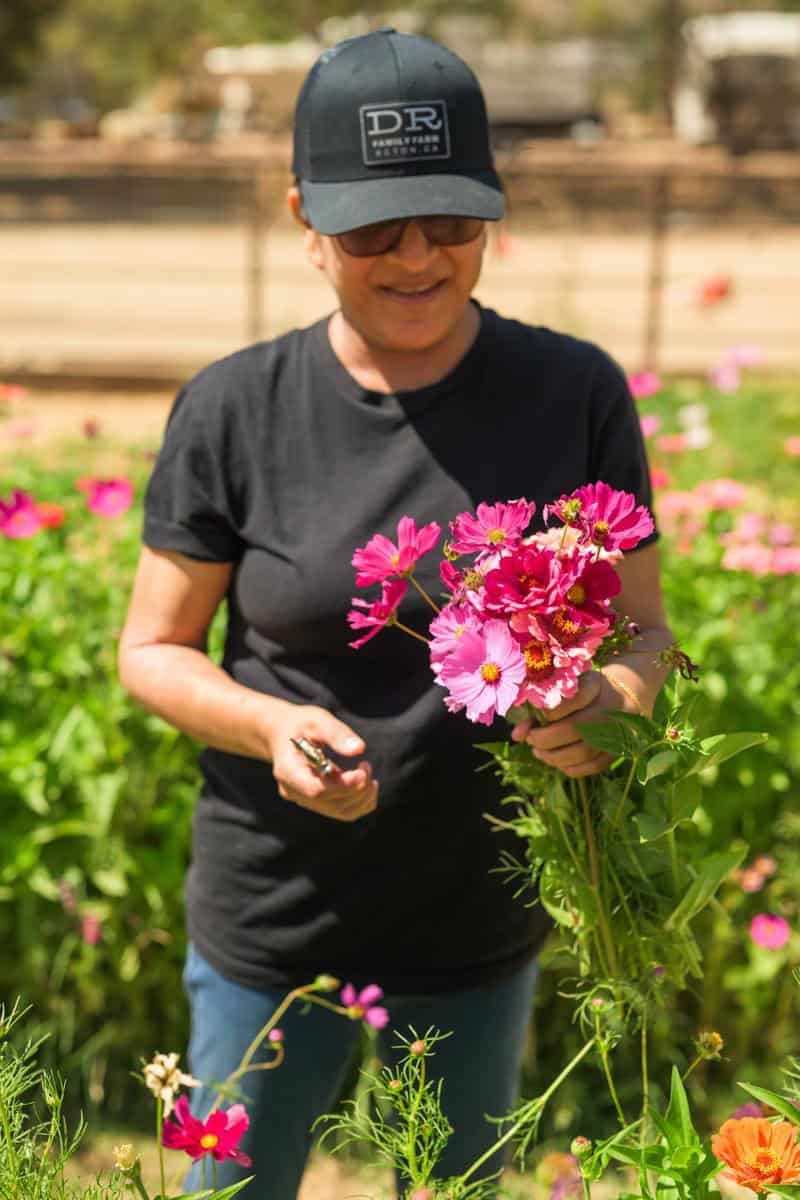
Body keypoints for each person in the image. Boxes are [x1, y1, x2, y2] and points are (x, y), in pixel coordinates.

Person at [118, 27, 673, 1200]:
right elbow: (153, 650)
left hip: (480, 909)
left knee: (466, 1183)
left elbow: (642, 631)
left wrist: (608, 700)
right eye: (375, 229)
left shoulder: (572, 391)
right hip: (274, 916)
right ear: (303, 220)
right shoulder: (231, 407)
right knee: (228, 1191)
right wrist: (269, 727)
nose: (417, 257)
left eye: (451, 223)